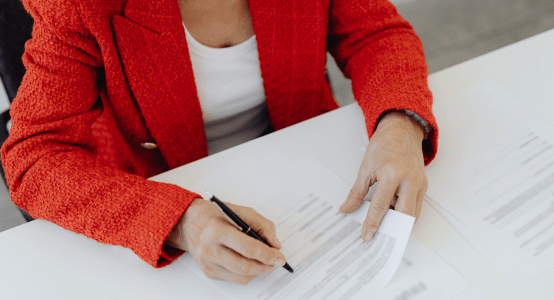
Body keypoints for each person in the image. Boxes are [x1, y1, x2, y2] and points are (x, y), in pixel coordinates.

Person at [1, 0, 438, 285]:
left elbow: (376, 35)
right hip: (164, 183)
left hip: (308, 162)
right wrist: (177, 221)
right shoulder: (79, 6)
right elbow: (35, 156)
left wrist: (399, 123)